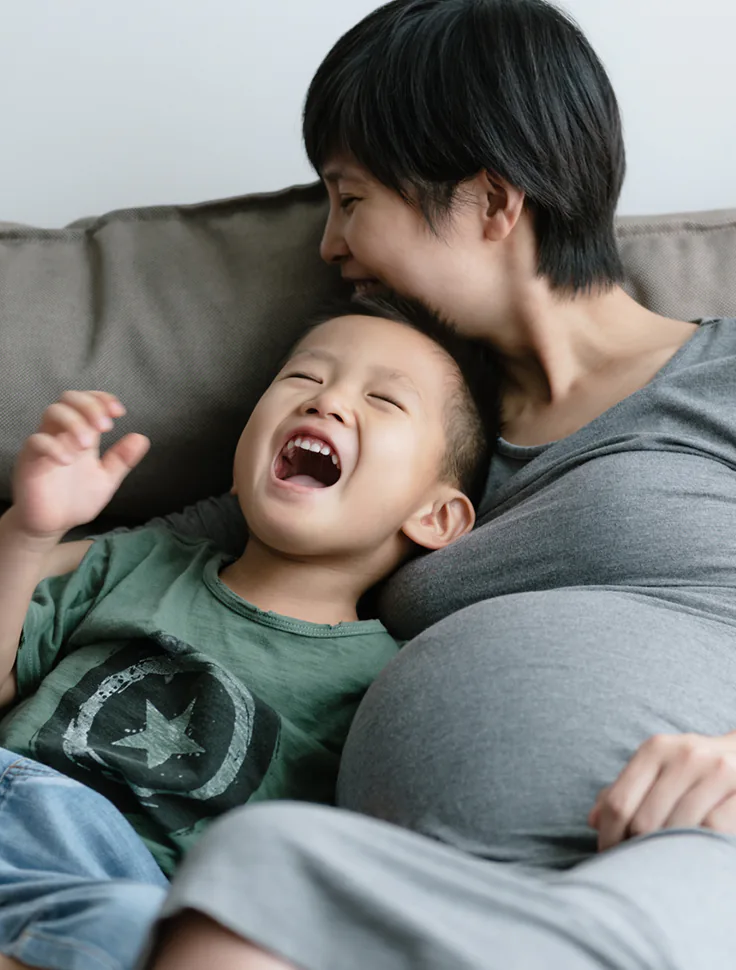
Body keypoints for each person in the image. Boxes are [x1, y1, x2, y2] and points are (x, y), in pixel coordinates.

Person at [128, 0, 736, 968]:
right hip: (427, 894)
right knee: (251, 870)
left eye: (349, 196)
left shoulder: (722, 378)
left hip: (686, 859)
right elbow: (111, 563)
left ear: (492, 202)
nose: (328, 246)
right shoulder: (388, 444)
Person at [0, 295, 499, 970]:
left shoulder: (386, 682)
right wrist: (30, 531)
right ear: (239, 460)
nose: (326, 403)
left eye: (383, 399)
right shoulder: (137, 563)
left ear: (436, 516)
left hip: (107, 883)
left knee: (131, 928)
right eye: (305, 378)